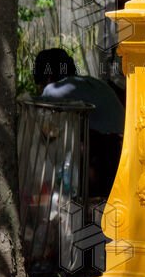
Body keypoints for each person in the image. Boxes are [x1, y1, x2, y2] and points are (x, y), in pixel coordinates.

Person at [34, 48, 125, 199]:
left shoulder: (52, 90)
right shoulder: (94, 83)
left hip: (104, 160)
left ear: (47, 79)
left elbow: (41, 128)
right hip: (125, 156)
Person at [99, 0, 142, 97]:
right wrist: (104, 88)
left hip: (144, 80)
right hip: (117, 85)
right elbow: (104, 51)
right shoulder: (110, 13)